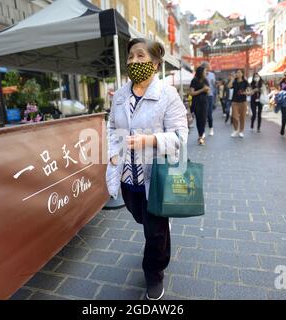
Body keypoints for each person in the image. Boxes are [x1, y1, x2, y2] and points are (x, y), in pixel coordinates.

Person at [106, 38, 188, 300]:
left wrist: (150, 140)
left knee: (154, 231)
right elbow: (110, 127)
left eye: (140, 56)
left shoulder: (167, 94)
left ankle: (153, 273)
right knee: (140, 217)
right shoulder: (120, 95)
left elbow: (180, 135)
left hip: (155, 177)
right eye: (130, 57)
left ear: (155, 64)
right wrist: (112, 154)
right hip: (128, 177)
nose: (133, 61)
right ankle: (159, 230)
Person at [189, 66, 210, 145]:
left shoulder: (206, 80)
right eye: (205, 71)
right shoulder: (194, 80)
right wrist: (202, 90)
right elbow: (191, 93)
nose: (206, 73)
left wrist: (207, 90)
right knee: (198, 119)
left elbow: (208, 92)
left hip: (204, 102)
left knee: (204, 119)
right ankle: (200, 135)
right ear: (200, 72)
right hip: (196, 102)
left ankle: (201, 136)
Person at [228, 69, 251, 138]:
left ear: (242, 74)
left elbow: (249, 91)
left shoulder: (245, 82)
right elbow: (229, 86)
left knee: (242, 117)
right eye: (236, 72)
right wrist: (232, 79)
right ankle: (235, 130)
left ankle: (241, 131)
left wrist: (246, 92)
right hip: (234, 101)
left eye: (238, 72)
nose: (237, 73)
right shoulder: (234, 81)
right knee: (234, 117)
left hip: (243, 101)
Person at [200, 61, 216, 136]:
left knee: (209, 113)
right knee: (203, 114)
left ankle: (211, 128)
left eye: (208, 66)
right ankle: (202, 132)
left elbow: (214, 86)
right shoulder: (200, 75)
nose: (209, 67)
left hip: (210, 96)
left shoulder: (212, 75)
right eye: (207, 66)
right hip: (202, 96)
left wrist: (214, 83)